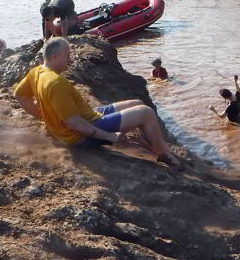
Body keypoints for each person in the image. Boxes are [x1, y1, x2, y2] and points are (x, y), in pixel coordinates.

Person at [14, 37, 181, 167]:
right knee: (147, 113)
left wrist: (45, 117)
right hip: (80, 136)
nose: (70, 59)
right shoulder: (56, 83)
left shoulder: (36, 72)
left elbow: (19, 94)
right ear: (55, 56)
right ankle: (164, 153)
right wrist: (109, 136)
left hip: (88, 117)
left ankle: (153, 143)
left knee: (136, 102)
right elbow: (75, 124)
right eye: (67, 55)